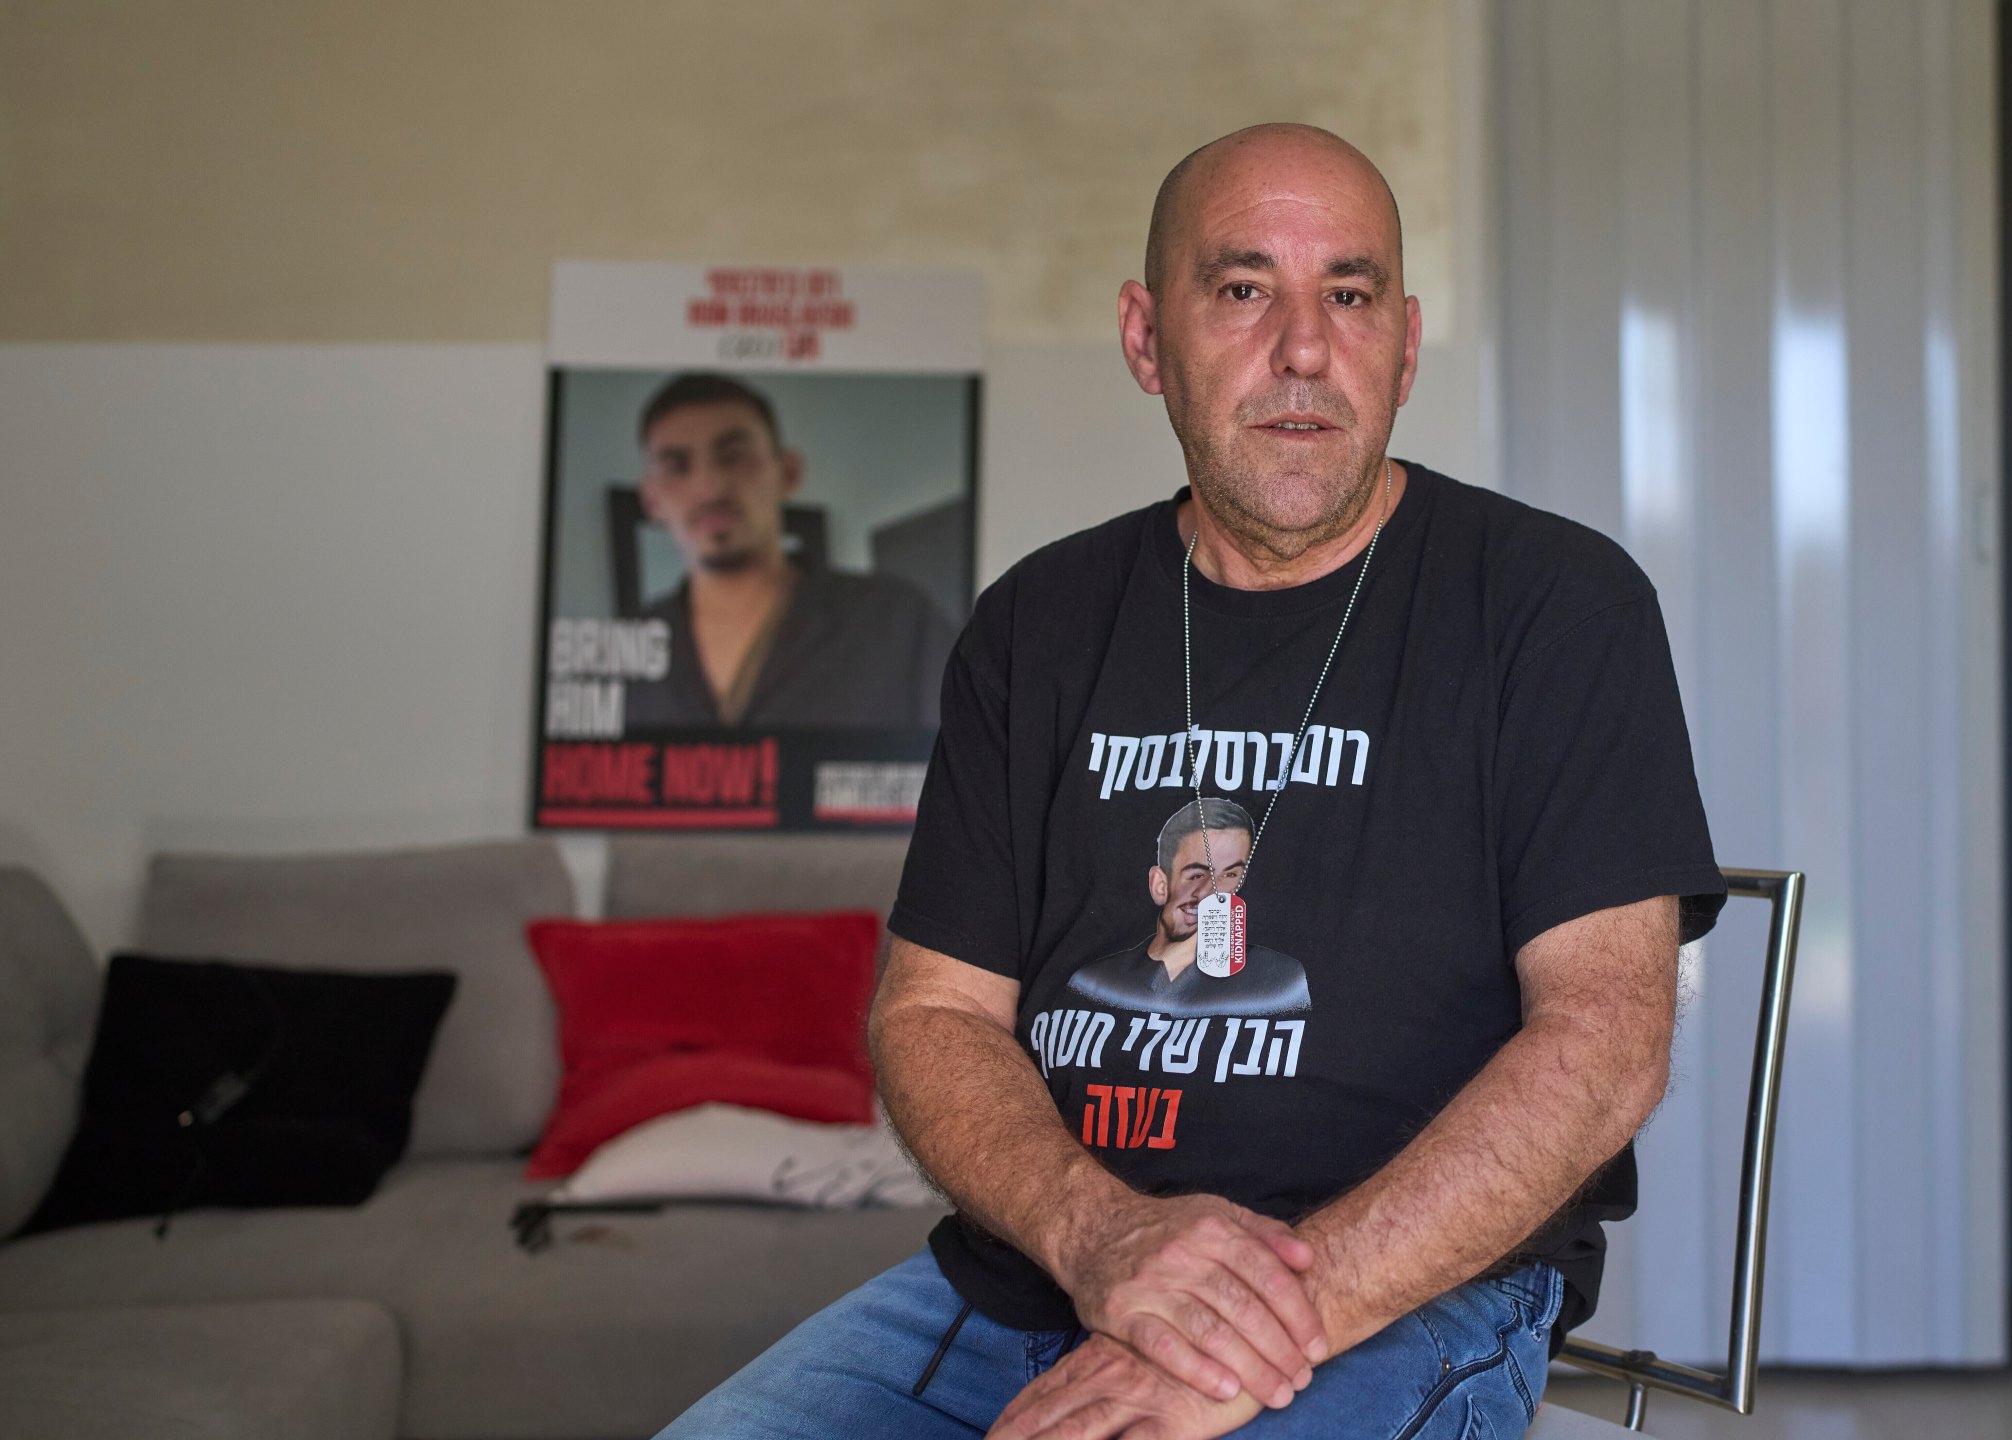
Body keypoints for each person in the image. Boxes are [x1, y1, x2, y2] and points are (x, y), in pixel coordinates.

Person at [659, 123, 1723, 1440]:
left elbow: (1606, 1042)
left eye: (1350, 294)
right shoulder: (1037, 623)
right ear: (1145, 338)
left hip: (1399, 1290)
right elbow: (933, 1013)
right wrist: (1098, 1236)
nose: (1304, 347)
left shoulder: (1554, 604)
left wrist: (1260, 1319)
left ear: (1404, 343)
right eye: (1240, 289)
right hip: (1037, 1275)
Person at [619, 371, 955, 731]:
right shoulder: (623, 651)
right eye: (676, 467)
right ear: (651, 500)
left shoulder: (898, 621)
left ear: (788, 473)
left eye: (734, 456)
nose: (710, 487)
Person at [1065, 799, 1312, 1019]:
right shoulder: (1095, 981)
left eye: (1229, 875)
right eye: (1196, 875)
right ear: (1160, 885)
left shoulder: (1280, 979)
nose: (1208, 893)